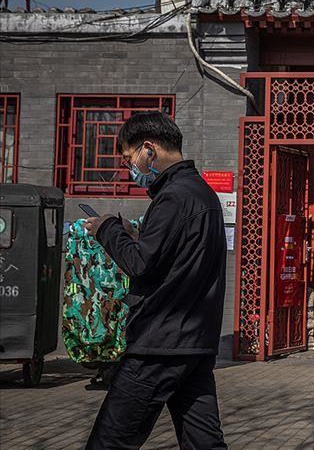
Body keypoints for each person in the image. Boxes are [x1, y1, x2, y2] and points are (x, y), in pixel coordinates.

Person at [83, 112, 227, 449]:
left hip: (159, 344)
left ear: (149, 149)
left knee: (110, 441)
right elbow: (173, 258)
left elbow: (139, 264)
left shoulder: (173, 196)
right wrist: (134, 234)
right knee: (204, 442)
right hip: (195, 342)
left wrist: (107, 229)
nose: (129, 168)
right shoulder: (203, 194)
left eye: (128, 158)